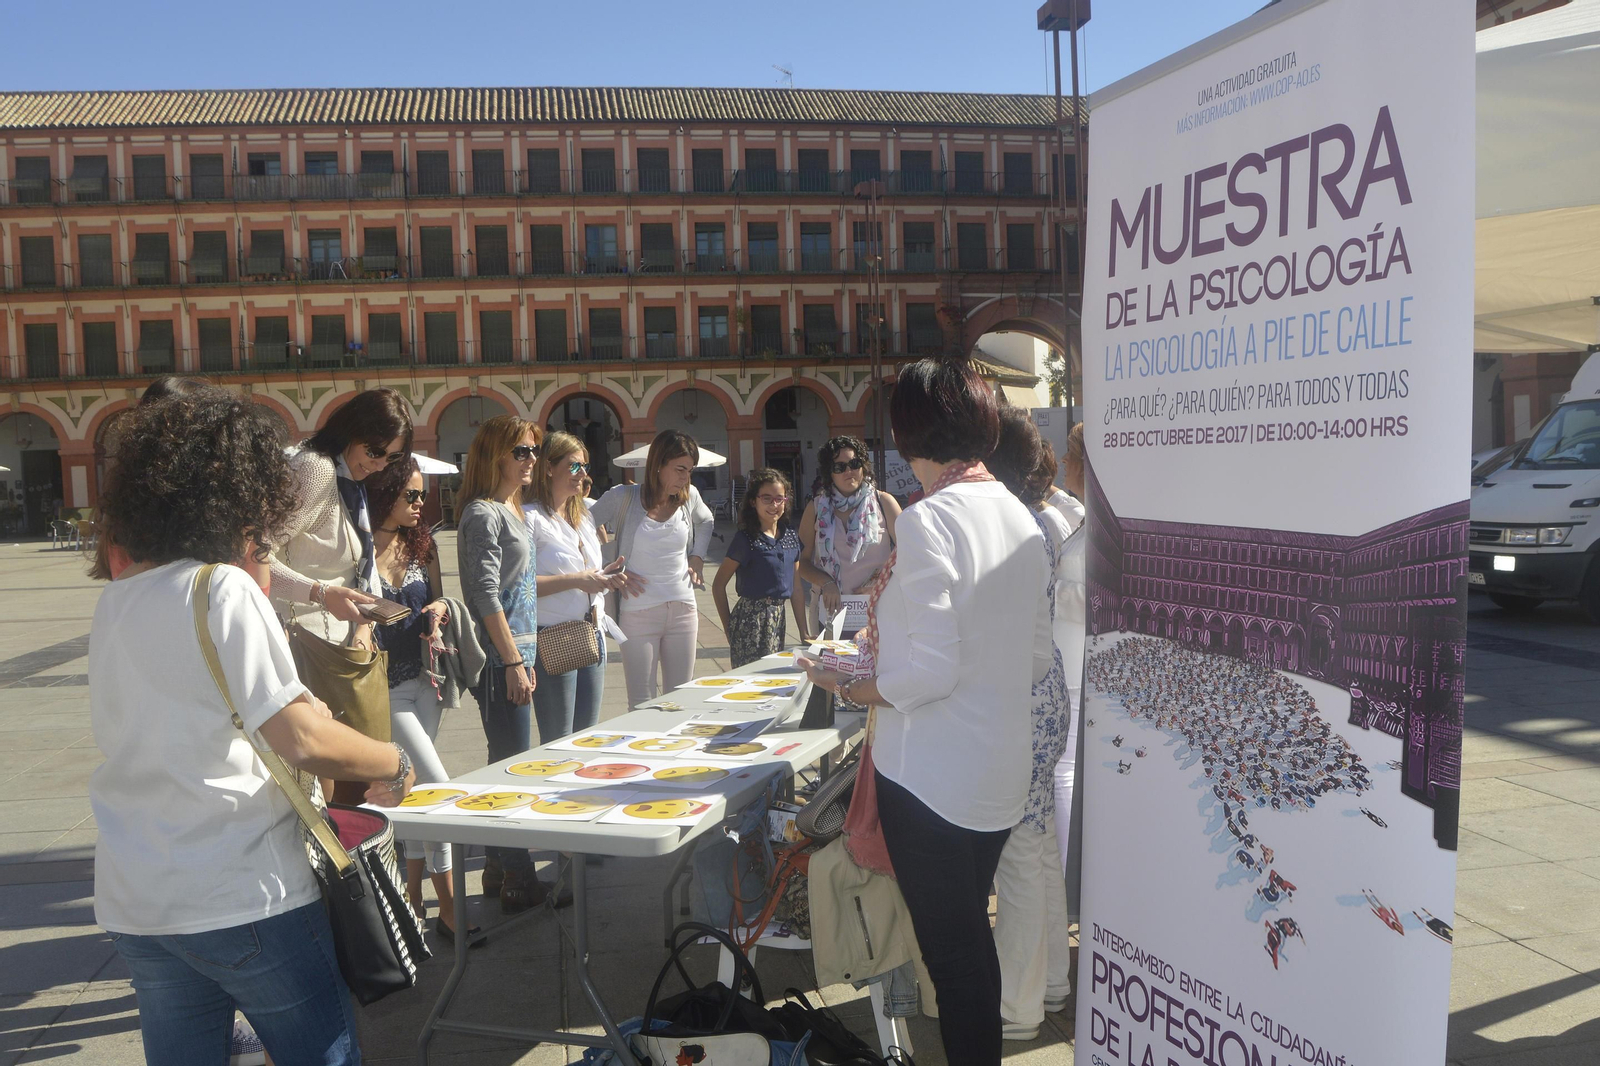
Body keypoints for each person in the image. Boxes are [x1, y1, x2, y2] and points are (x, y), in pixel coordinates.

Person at [88, 392, 414, 1066]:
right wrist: (390, 759)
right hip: (243, 892)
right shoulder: (222, 589)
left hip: (139, 899)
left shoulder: (118, 600)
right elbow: (299, 736)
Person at [797, 357, 1052, 1066]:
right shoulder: (1018, 514)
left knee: (957, 960)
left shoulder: (928, 520)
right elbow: (1031, 659)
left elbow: (929, 673)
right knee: (971, 950)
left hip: (933, 779)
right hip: (998, 772)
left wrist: (848, 686)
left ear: (909, 433)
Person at [984, 408, 1075, 1040]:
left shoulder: (1015, 523)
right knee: (1036, 848)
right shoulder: (1040, 518)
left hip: (1022, 698)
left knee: (1021, 853)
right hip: (1044, 693)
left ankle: (1018, 1004)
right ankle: (1049, 985)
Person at [366, 457, 481, 947]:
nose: (420, 504)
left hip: (426, 682)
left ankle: (413, 901)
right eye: (410, 495)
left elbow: (439, 599)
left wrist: (439, 609)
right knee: (438, 789)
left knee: (415, 794)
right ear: (385, 493)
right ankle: (451, 909)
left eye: (422, 495)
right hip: (384, 689)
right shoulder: (360, 548)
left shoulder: (423, 545)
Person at [455, 413, 549, 912]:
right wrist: (513, 660)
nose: (532, 459)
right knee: (514, 767)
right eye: (522, 451)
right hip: (499, 659)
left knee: (506, 761)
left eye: (534, 450)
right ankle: (517, 874)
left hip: (517, 653)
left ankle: (497, 866)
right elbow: (485, 594)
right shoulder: (483, 513)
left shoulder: (511, 509)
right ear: (495, 456)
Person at [590, 430, 714, 707]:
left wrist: (697, 557)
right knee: (641, 703)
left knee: (680, 700)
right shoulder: (623, 496)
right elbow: (577, 529)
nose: (685, 478)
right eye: (679, 469)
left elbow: (706, 522)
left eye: (690, 470)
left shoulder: (689, 496)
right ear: (658, 464)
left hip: (683, 609)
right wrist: (605, 571)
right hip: (638, 613)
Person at [523, 431, 626, 741]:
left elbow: (587, 572)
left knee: (587, 736)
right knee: (558, 740)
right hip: (555, 635)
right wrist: (580, 580)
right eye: (573, 466)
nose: (583, 473)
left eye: (584, 466)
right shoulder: (530, 518)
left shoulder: (582, 516)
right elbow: (522, 587)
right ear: (548, 468)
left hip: (592, 633)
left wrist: (605, 576)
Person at [794, 435, 901, 641]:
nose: (848, 471)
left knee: (876, 670)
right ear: (829, 472)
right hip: (830, 612)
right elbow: (802, 563)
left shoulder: (883, 502)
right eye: (839, 467)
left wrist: (882, 579)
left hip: (878, 608)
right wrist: (826, 582)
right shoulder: (815, 508)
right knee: (833, 669)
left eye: (854, 463)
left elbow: (910, 555)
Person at [712, 468, 805, 666]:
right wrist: (729, 627)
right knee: (751, 685)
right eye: (767, 498)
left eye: (779, 499)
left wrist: (804, 631)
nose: (774, 505)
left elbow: (796, 588)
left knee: (773, 681)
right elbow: (718, 584)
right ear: (754, 501)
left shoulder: (790, 537)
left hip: (778, 619)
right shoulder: (746, 539)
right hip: (750, 621)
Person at [1054, 423, 1088, 872]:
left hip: (1079, 667)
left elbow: (1103, 597)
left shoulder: (1101, 522)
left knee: (1065, 775)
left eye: (1070, 456)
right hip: (1068, 662)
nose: (1063, 464)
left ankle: (1066, 882)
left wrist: (1050, 588)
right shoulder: (1087, 516)